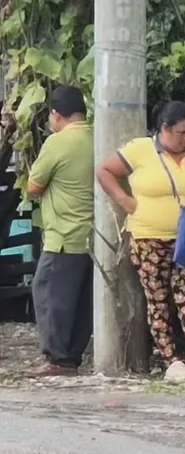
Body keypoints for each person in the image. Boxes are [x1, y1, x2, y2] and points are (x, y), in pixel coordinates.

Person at [96, 101, 185, 381]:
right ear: (165, 129)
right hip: (149, 238)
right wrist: (125, 201)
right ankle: (171, 361)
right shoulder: (140, 149)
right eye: (181, 132)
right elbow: (104, 170)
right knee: (157, 299)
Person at [25, 86, 94, 377]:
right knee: (81, 300)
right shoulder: (98, 137)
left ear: (55, 115)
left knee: (48, 294)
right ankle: (71, 356)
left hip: (63, 236)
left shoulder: (58, 142)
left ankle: (58, 358)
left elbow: (33, 186)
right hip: (92, 237)